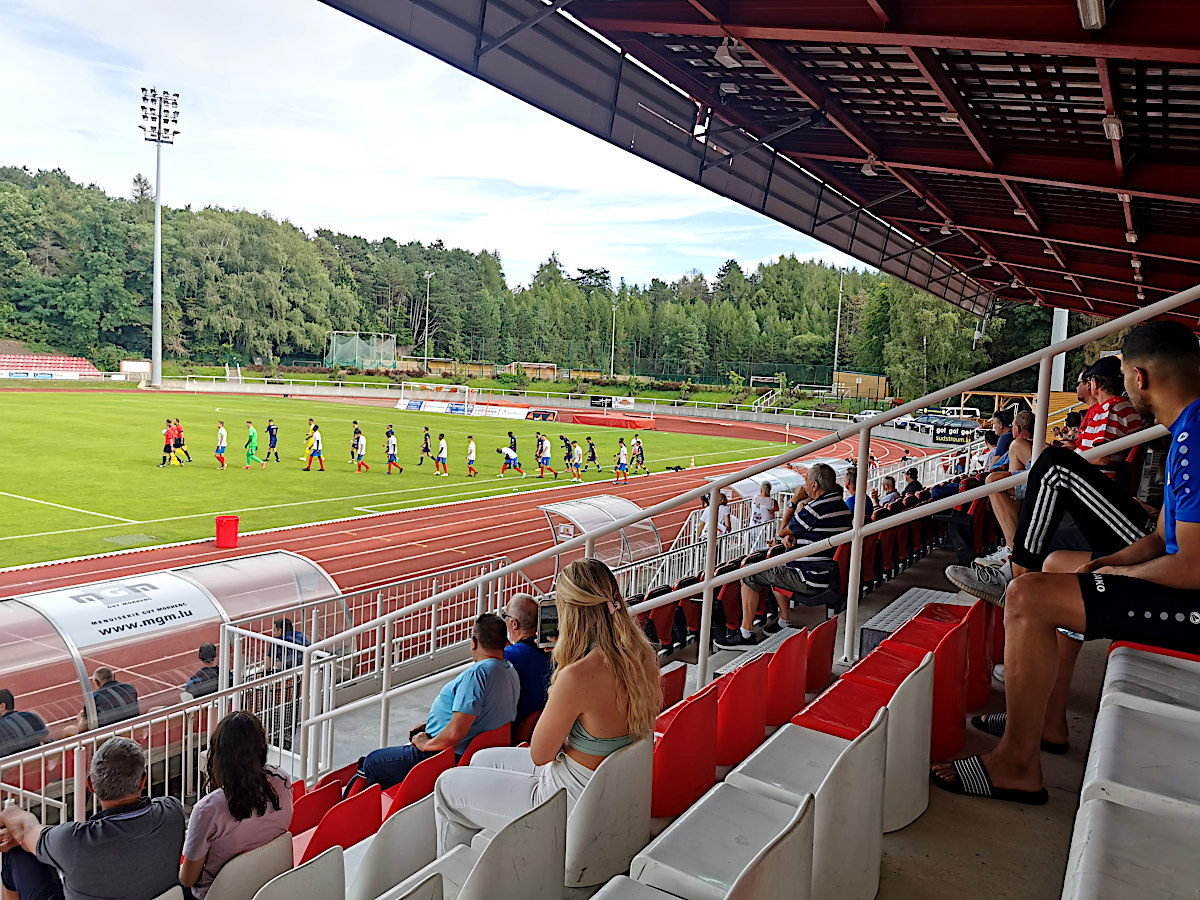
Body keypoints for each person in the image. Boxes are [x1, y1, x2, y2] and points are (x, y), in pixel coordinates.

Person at [931, 320, 1200, 805]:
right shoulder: (1188, 430)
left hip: (1193, 603)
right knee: (1057, 564)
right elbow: (1164, 537)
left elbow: (1193, 568)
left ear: (1138, 377)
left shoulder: (1196, 438)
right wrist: (1108, 562)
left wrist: (1118, 574)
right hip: (1180, 581)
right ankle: (1046, 723)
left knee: (1028, 595)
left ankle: (1015, 765)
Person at [433, 559, 659, 855]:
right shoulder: (641, 654)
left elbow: (541, 754)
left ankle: (451, 872)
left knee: (446, 786)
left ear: (570, 613)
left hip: (565, 801)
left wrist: (562, 676)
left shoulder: (576, 676)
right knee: (480, 760)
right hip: (599, 785)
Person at [0, 737, 184, 900]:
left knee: (18, 852)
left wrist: (9, 812)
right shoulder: (172, 811)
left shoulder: (72, 841)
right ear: (143, 780)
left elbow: (24, 831)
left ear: (90, 784)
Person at [355, 614, 519, 791]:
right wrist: (431, 725)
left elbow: (456, 732)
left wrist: (426, 744)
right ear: (505, 642)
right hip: (473, 753)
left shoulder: (477, 674)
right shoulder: (510, 671)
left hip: (443, 756)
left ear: (473, 642)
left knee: (371, 762)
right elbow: (482, 716)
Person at [717, 463, 851, 649]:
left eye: (806, 481)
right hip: (828, 574)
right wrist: (795, 536)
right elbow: (818, 531)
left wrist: (793, 501)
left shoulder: (816, 508)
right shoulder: (841, 506)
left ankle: (746, 633)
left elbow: (781, 531)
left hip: (810, 578)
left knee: (748, 573)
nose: (804, 486)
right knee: (777, 565)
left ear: (814, 486)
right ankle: (783, 622)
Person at [179, 712, 293, 900]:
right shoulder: (282, 781)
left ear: (219, 756)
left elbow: (188, 879)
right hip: (268, 886)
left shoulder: (207, 810)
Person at [1076, 355, 1144, 480]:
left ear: (1095, 383)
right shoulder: (1124, 407)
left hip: (1094, 481)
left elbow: (1101, 458)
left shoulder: (1110, 411)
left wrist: (1067, 461)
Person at [502, 594, 552, 724]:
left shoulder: (506, 656)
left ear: (514, 624)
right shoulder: (556, 650)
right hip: (546, 723)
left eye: (505, 616)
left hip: (517, 731)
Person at [62, 668, 139, 737]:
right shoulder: (130, 687)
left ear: (97, 681)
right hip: (134, 728)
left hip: (109, 735)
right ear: (113, 676)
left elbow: (85, 726)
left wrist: (81, 719)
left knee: (68, 730)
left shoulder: (93, 698)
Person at [0, 689, 49, 758]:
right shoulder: (32, 716)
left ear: (2, 706)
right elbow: (47, 740)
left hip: (11, 767)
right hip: (38, 764)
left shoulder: (2, 727)